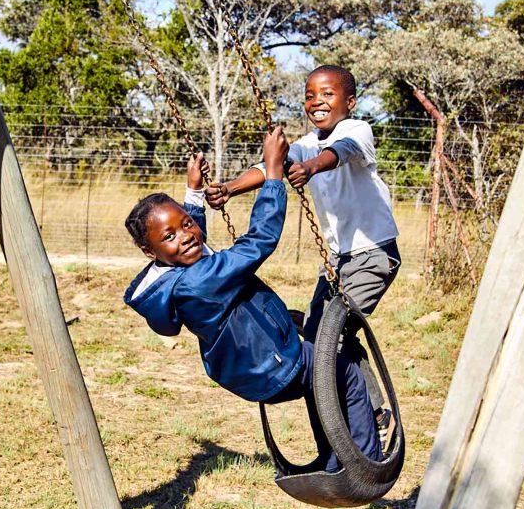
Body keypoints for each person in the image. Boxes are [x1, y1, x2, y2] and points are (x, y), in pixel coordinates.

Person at [123, 127, 381, 471]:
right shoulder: (198, 281)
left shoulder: (170, 278)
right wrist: (273, 174)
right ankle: (365, 463)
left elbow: (193, 244)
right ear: (148, 250)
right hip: (273, 363)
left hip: (250, 367)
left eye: (186, 224)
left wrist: (193, 194)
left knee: (318, 381)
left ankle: (334, 460)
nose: (185, 236)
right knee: (344, 369)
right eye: (170, 236)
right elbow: (259, 241)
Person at [206, 65, 401, 437]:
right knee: (319, 334)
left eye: (327, 94)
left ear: (350, 101)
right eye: (310, 96)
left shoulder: (356, 130)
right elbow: (270, 166)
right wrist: (230, 188)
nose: (317, 102)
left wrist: (311, 167)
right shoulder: (306, 143)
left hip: (374, 253)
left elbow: (341, 153)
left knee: (332, 330)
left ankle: (372, 412)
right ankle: (368, 405)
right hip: (338, 262)